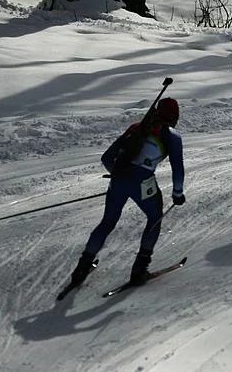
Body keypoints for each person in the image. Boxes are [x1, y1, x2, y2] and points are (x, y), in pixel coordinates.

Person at [69, 97, 185, 287]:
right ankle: (139, 269)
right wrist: (178, 194)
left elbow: (107, 158)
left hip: (118, 180)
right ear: (175, 116)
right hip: (142, 181)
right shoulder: (171, 135)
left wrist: (120, 176)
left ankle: (81, 269)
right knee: (154, 218)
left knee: (107, 222)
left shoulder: (136, 128)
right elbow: (178, 169)